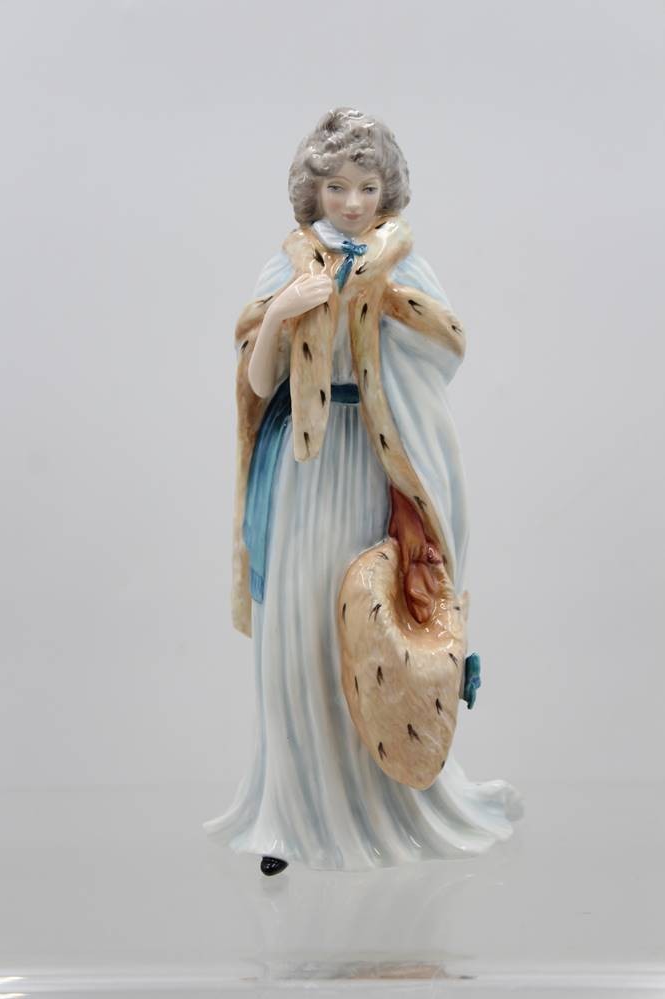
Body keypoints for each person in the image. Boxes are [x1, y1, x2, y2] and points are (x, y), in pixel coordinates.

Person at [203, 107, 523, 875]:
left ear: (388, 191)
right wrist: (282, 315)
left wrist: (385, 307)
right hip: (304, 467)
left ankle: (385, 806)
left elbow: (445, 352)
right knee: (301, 639)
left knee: (373, 629)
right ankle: (295, 813)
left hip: (375, 465)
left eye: (367, 187)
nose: (352, 202)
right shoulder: (287, 266)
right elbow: (257, 383)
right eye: (337, 186)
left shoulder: (404, 267)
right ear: (313, 190)